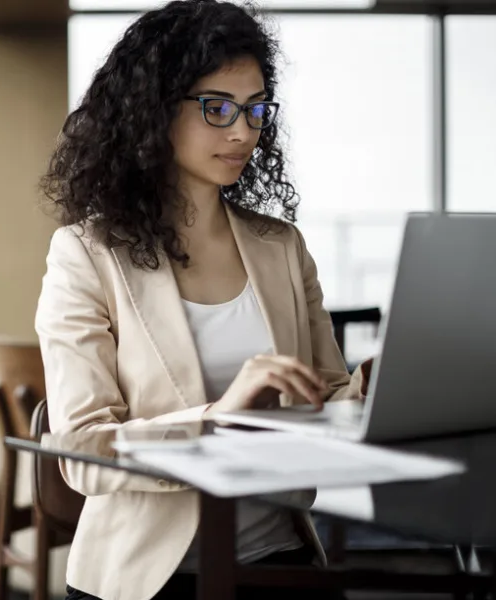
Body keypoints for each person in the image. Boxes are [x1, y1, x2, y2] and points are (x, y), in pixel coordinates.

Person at [35, 1, 370, 599]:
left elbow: (327, 393)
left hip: (278, 560)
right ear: (152, 111)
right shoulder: (85, 255)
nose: (243, 131)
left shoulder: (282, 248)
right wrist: (216, 418)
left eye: (255, 109)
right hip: (148, 579)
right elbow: (81, 452)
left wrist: (374, 389)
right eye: (217, 108)